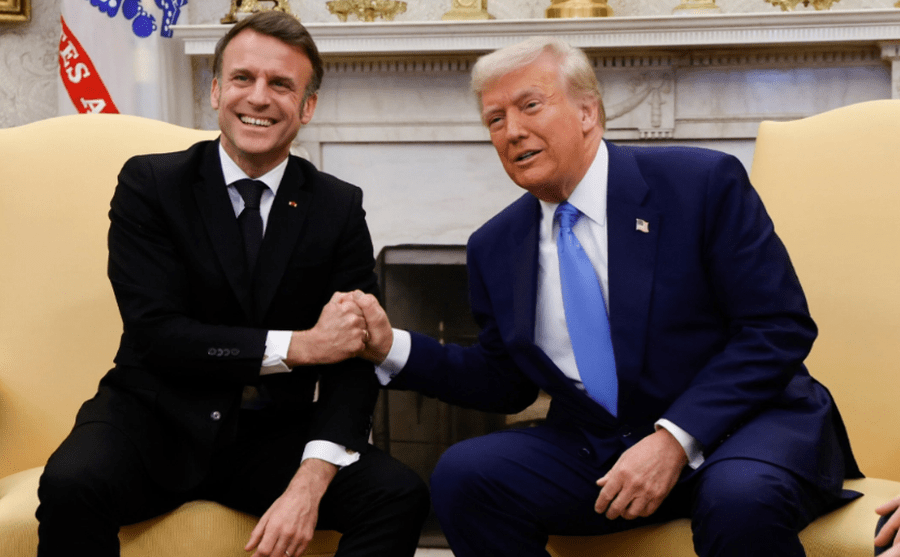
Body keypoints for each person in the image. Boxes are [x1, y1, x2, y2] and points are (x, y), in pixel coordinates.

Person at [349, 36, 861, 557]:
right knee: (466, 476)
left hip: (742, 427)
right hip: (605, 445)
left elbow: (776, 327)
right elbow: (505, 382)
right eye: (495, 120)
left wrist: (674, 439)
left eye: (530, 105)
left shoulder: (700, 183)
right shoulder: (495, 245)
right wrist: (391, 348)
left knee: (739, 499)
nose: (512, 131)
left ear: (587, 112)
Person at [35, 11, 428, 557]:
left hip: (271, 434)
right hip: (153, 422)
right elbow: (157, 334)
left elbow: (354, 358)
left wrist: (311, 479)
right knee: (70, 485)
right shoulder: (150, 184)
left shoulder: (337, 206)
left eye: (281, 84)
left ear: (307, 106)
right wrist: (301, 346)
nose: (259, 97)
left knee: (397, 494)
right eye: (243, 78)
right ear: (216, 90)